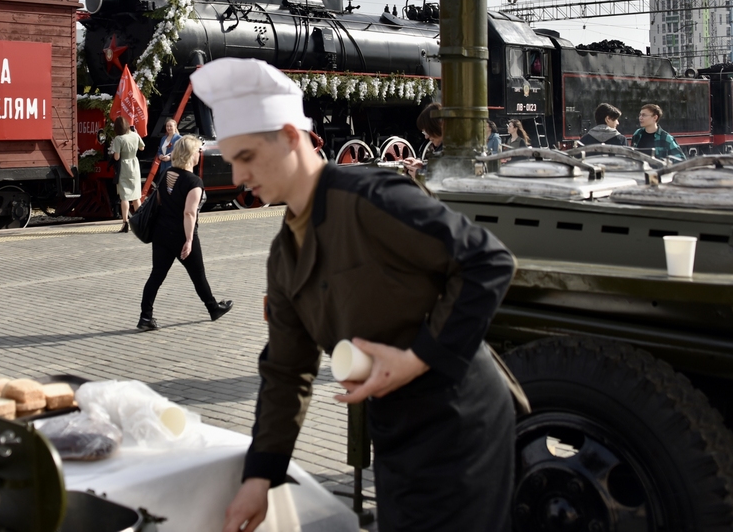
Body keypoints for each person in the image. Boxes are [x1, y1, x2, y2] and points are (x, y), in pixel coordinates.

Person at [193, 58, 517, 532]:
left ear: (288, 136)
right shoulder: (284, 256)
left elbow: (487, 261)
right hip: (395, 426)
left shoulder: (371, 195)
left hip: (459, 417)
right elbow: (286, 370)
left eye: (245, 157)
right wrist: (259, 476)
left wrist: (418, 357)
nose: (237, 176)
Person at [137, 135, 233, 331]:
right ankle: (213, 309)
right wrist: (189, 240)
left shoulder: (166, 175)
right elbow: (189, 213)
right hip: (181, 235)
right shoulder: (194, 182)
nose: (200, 153)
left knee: (156, 276)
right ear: (190, 154)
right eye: (198, 150)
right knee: (198, 275)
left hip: (161, 234)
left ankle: (145, 317)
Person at [401, 102, 442, 178]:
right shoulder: (443, 148)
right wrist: (422, 166)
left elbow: (444, 176)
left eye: (426, 131)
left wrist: (419, 175)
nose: (426, 137)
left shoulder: (450, 149)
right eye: (424, 133)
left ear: (438, 125)